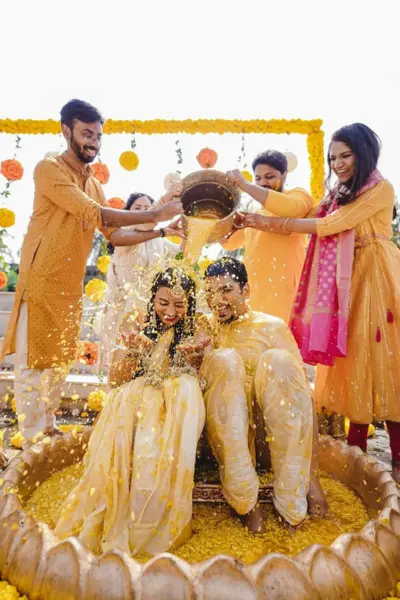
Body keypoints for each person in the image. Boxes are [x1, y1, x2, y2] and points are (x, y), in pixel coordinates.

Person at [1, 99, 182, 448]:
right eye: (86, 134)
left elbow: (114, 235)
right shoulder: (49, 168)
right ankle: (32, 436)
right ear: (65, 131)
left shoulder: (93, 183)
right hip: (40, 281)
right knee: (33, 363)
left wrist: (160, 227)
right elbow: (96, 213)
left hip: (70, 286)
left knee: (58, 361)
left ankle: (48, 426)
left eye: (97, 136)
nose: (93, 143)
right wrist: (156, 214)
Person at [240, 123, 400, 483]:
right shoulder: (336, 194)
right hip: (346, 280)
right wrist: (255, 221)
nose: (338, 163)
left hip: (375, 277)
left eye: (346, 156)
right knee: (351, 359)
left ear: (364, 154)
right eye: (333, 158)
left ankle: (397, 459)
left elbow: (329, 225)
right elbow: (312, 217)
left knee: (384, 359)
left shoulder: (380, 188)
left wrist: (266, 221)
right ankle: (357, 457)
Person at [55, 267, 209, 555]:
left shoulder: (198, 326)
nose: (170, 312)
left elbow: (202, 377)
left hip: (177, 405)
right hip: (136, 402)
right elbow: (116, 380)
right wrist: (135, 351)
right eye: (163, 303)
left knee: (185, 388)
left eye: (179, 305)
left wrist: (197, 357)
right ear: (152, 299)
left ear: (190, 303)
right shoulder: (136, 321)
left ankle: (152, 520)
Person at [189, 257, 327, 532]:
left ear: (246, 290)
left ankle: (291, 493)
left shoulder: (271, 327)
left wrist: (312, 477)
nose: (217, 300)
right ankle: (243, 496)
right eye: (210, 292)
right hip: (220, 447)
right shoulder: (203, 327)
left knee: (279, 361)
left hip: (267, 443)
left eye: (226, 290)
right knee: (224, 360)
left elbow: (301, 400)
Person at [222, 151, 313, 322]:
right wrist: (220, 220)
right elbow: (229, 243)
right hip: (253, 295)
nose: (263, 183)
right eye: (258, 178)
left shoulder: (298, 196)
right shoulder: (255, 213)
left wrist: (246, 185)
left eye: (269, 177)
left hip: (286, 295)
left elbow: (292, 208)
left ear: (284, 175)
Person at [99, 189, 184, 371]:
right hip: (122, 313)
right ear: (127, 214)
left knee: (147, 368)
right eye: (137, 208)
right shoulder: (123, 233)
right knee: (120, 368)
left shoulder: (159, 240)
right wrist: (164, 201)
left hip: (152, 312)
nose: (144, 212)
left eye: (147, 208)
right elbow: (145, 223)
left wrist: (187, 232)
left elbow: (180, 257)